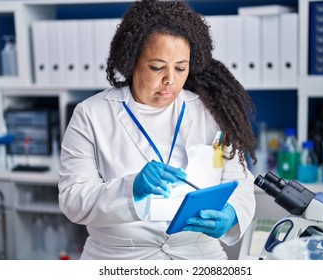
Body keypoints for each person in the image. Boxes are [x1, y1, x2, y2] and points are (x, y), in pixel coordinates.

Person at [58, 0, 257, 260]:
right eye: (157, 67)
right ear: (131, 61)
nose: (170, 80)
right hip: (119, 258)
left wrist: (231, 214)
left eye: (180, 68)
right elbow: (73, 198)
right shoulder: (91, 114)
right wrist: (131, 189)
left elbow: (239, 181)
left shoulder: (212, 113)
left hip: (198, 256)